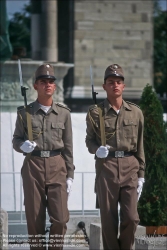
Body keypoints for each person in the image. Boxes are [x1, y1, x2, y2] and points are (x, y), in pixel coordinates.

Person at [12, 64, 74, 250]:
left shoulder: (63, 113)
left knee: (61, 219)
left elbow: (69, 146)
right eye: (43, 82)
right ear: (35, 86)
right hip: (33, 166)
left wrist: (70, 174)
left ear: (55, 86)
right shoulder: (25, 113)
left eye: (50, 82)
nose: (47, 85)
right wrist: (22, 146)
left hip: (57, 166)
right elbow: (16, 140)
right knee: (34, 219)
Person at [85, 64, 145, 250]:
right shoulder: (96, 113)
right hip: (107, 166)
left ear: (123, 86)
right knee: (108, 219)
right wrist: (97, 150)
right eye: (111, 82)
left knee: (132, 217)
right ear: (104, 86)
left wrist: (141, 174)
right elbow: (89, 141)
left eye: (119, 82)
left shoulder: (135, 112)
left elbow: (140, 145)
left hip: (130, 166)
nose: (115, 85)